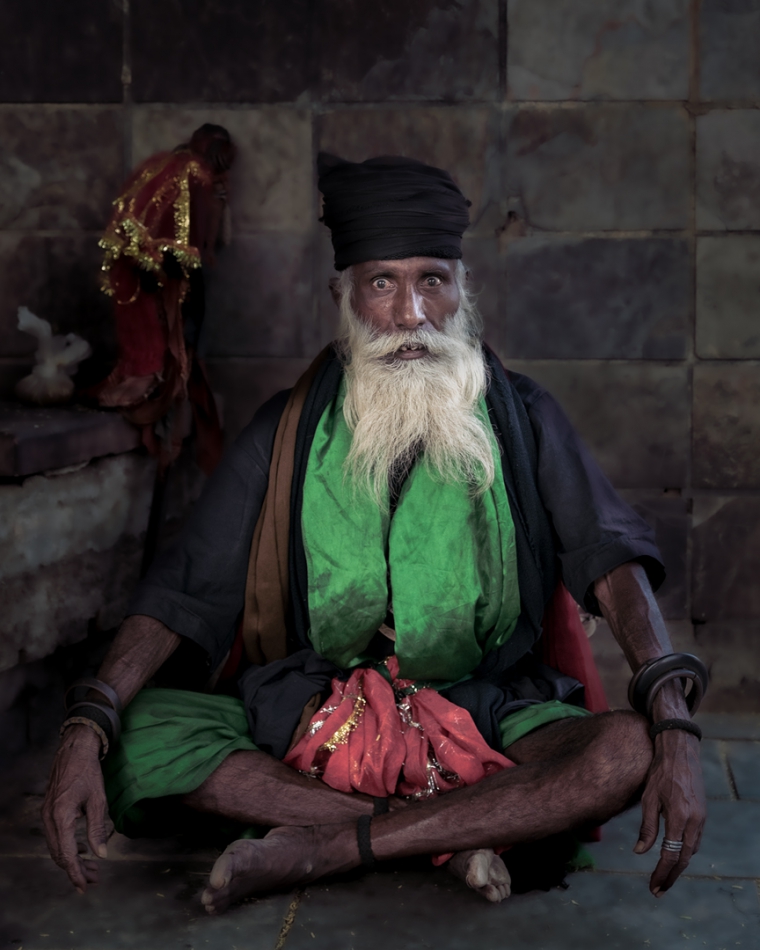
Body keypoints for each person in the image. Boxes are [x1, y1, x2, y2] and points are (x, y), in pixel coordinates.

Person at [43, 154, 706, 914]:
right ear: (345, 297)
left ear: (463, 291)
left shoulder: (522, 416)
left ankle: (325, 842)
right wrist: (87, 722)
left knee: (622, 750)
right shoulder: (286, 430)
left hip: (487, 705)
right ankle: (448, 834)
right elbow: (184, 589)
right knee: (135, 731)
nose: (411, 314)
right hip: (309, 705)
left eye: (433, 280)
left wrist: (674, 722)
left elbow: (612, 557)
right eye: (383, 283)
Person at [93, 123, 236, 475]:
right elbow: (188, 244)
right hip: (158, 279)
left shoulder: (168, 167)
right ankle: (164, 435)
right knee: (172, 354)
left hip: (153, 276)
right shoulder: (189, 172)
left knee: (179, 356)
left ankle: (168, 435)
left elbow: (208, 241)